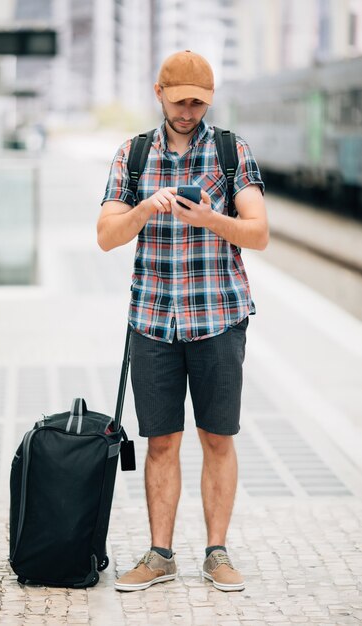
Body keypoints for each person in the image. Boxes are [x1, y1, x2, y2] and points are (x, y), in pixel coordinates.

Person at [97, 50, 268, 593]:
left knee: (218, 438)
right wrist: (146, 208)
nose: (190, 111)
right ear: (159, 94)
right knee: (161, 442)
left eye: (200, 102)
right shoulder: (133, 154)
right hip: (152, 321)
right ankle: (160, 554)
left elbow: (259, 232)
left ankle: (216, 553)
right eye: (181, 101)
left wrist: (211, 217)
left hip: (219, 317)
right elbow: (105, 236)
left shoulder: (229, 150)